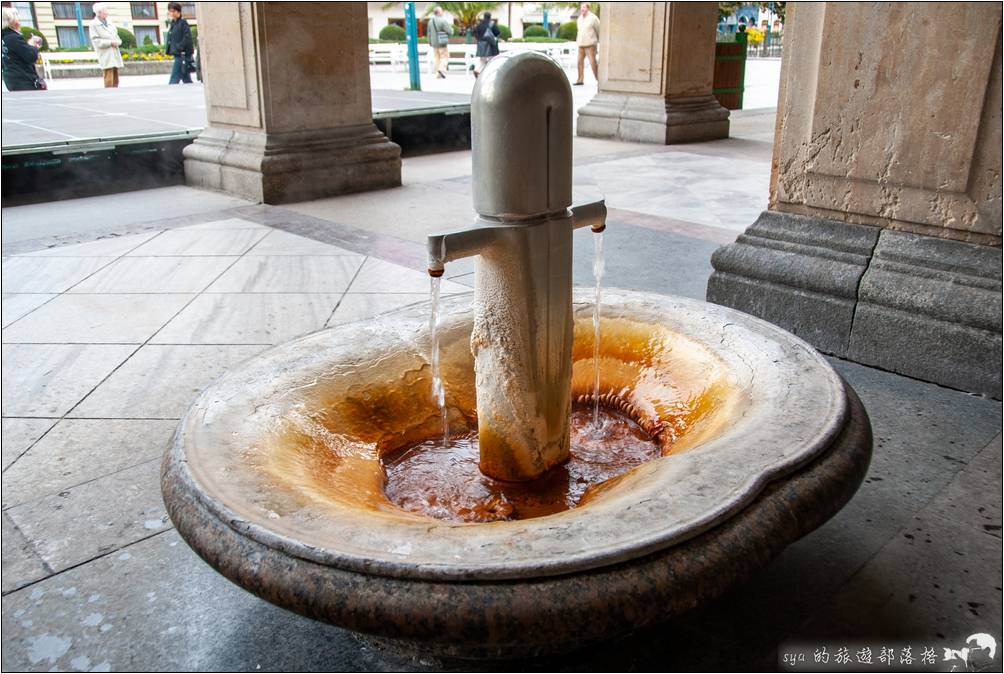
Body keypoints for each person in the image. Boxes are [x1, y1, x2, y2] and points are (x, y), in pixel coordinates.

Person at [1, 5, 44, 91]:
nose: (20, 22)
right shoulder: (14, 38)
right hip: (23, 80)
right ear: (12, 21)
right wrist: (32, 44)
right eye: (18, 19)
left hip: (11, 79)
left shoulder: (4, 37)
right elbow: (31, 56)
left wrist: (28, 45)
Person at [89, 3, 123, 88]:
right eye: (105, 10)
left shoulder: (110, 22)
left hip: (114, 53)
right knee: (108, 78)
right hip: (105, 54)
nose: (107, 12)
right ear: (99, 12)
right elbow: (96, 41)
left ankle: (116, 94)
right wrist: (110, 43)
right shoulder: (93, 24)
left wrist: (118, 42)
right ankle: (109, 95)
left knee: (116, 78)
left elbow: (117, 37)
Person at [165, 1, 193, 85]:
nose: (171, 13)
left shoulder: (183, 22)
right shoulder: (173, 23)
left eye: (173, 11)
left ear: (179, 12)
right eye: (170, 11)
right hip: (178, 53)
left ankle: (170, 93)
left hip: (181, 54)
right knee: (186, 78)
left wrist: (179, 47)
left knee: (174, 78)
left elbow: (187, 37)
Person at [574, 3, 600, 86]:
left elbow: (599, 30)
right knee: (579, 62)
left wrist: (600, 41)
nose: (582, 9)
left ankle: (599, 79)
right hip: (581, 44)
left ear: (588, 8)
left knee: (593, 63)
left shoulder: (593, 18)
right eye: (581, 8)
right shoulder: (579, 18)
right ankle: (580, 80)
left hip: (590, 44)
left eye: (584, 8)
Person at [427, 6, 453, 79]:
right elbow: (449, 31)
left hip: (434, 43)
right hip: (442, 42)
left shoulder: (430, 21)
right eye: (441, 11)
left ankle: (437, 74)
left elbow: (428, 33)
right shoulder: (443, 21)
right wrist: (452, 30)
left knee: (437, 58)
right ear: (438, 12)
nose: (442, 12)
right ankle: (441, 69)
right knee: (445, 57)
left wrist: (430, 42)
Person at [473, 12, 499, 77]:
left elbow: (475, 33)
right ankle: (490, 74)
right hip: (489, 45)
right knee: (491, 60)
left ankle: (477, 70)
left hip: (480, 44)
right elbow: (497, 32)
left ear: (484, 17)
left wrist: (479, 39)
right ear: (490, 17)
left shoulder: (479, 25)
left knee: (482, 59)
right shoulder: (492, 24)